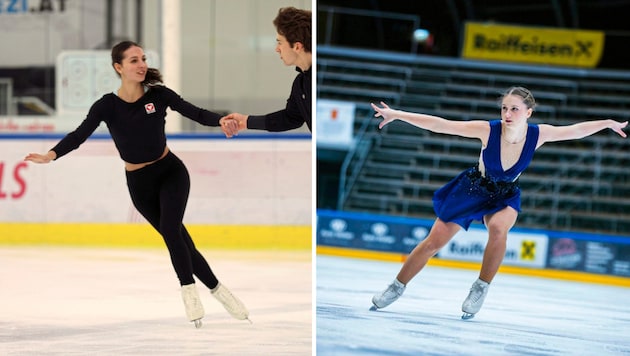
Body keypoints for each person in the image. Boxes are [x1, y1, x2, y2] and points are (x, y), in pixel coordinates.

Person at [24, 40, 248, 328]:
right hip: (139, 185)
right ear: (118, 67)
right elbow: (80, 134)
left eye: (142, 58)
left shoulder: (159, 95)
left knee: (170, 230)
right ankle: (219, 290)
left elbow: (197, 113)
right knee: (180, 240)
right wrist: (51, 155)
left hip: (171, 172)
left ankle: (188, 291)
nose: (141, 64)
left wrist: (224, 120)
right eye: (133, 60)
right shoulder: (106, 106)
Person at [369, 86, 627, 319]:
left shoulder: (538, 135)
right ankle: (396, 287)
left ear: (528, 112)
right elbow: (442, 125)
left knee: (499, 229)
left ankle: (480, 287)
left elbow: (576, 130)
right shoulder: (488, 129)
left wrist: (606, 122)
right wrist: (398, 114)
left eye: (515, 108)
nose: (508, 113)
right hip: (472, 190)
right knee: (432, 244)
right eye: (505, 107)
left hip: (505, 195)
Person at [222, 6, 312, 133]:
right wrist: (246, 121)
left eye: (280, 42)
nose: (277, 49)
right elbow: (290, 118)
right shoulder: (300, 83)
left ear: (297, 46)